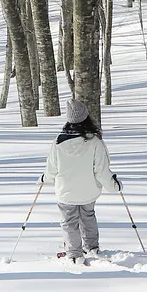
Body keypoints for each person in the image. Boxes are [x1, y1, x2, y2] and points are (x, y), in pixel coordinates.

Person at [43, 97, 121, 264]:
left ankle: (74, 253)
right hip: (88, 191)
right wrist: (113, 185)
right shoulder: (94, 141)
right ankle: (92, 247)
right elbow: (101, 170)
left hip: (66, 192)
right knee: (88, 216)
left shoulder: (58, 142)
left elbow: (52, 168)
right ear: (86, 117)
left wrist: (44, 179)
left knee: (69, 222)